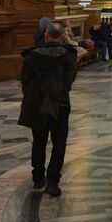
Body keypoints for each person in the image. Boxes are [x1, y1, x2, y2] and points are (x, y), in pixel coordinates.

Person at [19, 22, 78, 198]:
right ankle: (53, 181)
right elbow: (69, 82)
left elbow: (25, 80)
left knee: (39, 140)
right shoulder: (68, 57)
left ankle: (38, 176)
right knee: (59, 143)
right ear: (60, 36)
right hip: (60, 104)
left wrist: (36, 95)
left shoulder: (31, 56)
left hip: (37, 104)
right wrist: (56, 93)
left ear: (45, 35)